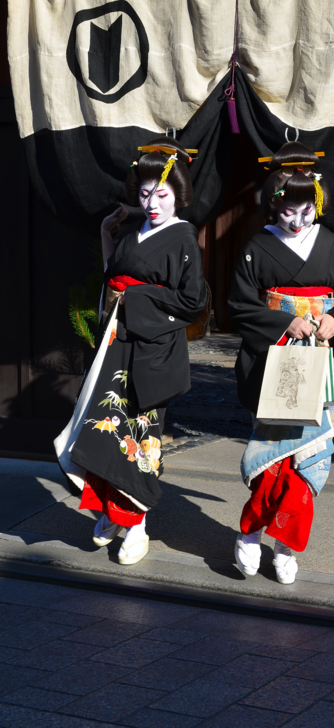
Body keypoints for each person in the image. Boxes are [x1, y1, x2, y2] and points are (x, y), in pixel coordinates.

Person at [228, 141, 334, 584]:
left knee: (310, 455)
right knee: (273, 455)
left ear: (318, 202)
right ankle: (251, 532)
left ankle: (288, 544)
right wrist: (284, 321)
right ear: (272, 206)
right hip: (276, 357)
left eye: (305, 210)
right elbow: (239, 305)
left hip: (322, 359)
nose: (297, 222)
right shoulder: (257, 248)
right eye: (286, 212)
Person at [55, 138, 206, 565]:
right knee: (103, 430)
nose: (152, 203)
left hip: (151, 348)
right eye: (144, 194)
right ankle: (110, 511)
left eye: (161, 194)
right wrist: (107, 235)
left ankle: (136, 523)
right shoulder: (133, 232)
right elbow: (114, 277)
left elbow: (192, 302)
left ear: (179, 194)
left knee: (139, 438)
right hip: (117, 343)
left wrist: (134, 302)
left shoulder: (183, 239)